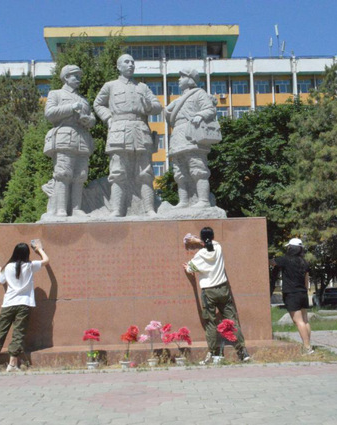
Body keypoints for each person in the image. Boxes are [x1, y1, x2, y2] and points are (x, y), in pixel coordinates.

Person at [93, 54, 163, 217]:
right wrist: (108, 118)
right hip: (119, 130)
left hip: (140, 130)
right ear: (118, 66)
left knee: (145, 172)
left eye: (132, 62)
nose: (131, 64)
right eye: (127, 62)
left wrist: (148, 106)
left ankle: (149, 209)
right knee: (117, 172)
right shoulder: (110, 86)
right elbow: (98, 103)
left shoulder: (142, 87)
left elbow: (157, 106)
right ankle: (117, 209)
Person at [182, 227, 251, 364]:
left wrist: (187, 267)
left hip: (209, 292)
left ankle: (214, 354)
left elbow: (191, 268)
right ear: (213, 237)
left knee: (210, 322)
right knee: (232, 321)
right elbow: (211, 243)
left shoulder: (200, 255)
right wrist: (199, 240)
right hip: (223, 289)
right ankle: (242, 352)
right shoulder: (218, 247)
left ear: (202, 239)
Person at [0, 241, 49, 372]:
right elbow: (46, 260)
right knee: (18, 334)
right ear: (27, 254)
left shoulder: (7, 267)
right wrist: (39, 249)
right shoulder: (29, 266)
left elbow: (1, 281)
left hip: (8, 304)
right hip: (24, 304)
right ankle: (12, 364)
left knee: (0, 332)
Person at [41, 64, 96, 218]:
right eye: (75, 76)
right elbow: (49, 113)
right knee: (63, 174)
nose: (78, 79)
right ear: (66, 77)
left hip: (82, 139)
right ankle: (61, 209)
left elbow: (92, 119)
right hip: (64, 136)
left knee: (80, 175)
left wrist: (88, 120)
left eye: (79, 76)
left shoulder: (83, 100)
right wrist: (71, 107)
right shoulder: (56, 94)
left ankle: (76, 208)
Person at [165, 68, 218, 208]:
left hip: (193, 134)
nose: (179, 79)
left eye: (182, 77)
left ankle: (203, 200)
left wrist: (200, 115)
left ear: (190, 79)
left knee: (198, 168)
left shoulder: (199, 93)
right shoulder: (178, 100)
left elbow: (210, 109)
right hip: (177, 135)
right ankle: (184, 201)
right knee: (179, 171)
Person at [270, 238, 313, 355]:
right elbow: (306, 279)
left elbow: (272, 262)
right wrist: (304, 291)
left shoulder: (285, 260)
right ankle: (308, 344)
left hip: (291, 294)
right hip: (303, 293)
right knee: (305, 320)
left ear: (290, 248)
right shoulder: (304, 262)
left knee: (298, 321)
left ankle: (307, 347)